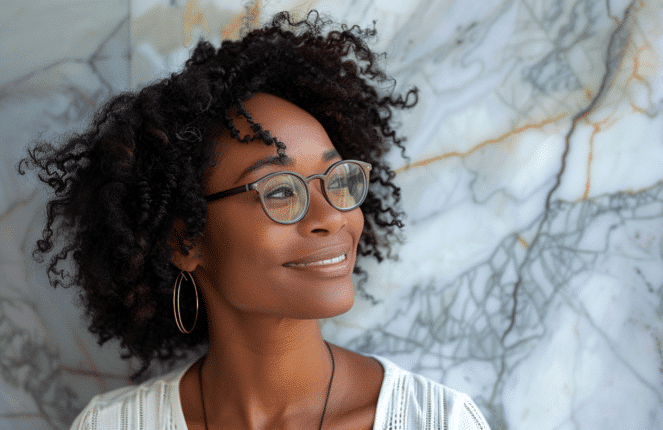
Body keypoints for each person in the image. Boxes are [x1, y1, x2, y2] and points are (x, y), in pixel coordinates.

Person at [20, 10, 491, 430]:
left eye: (338, 181)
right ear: (186, 241)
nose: (333, 218)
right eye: (282, 191)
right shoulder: (113, 426)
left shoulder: (437, 420)